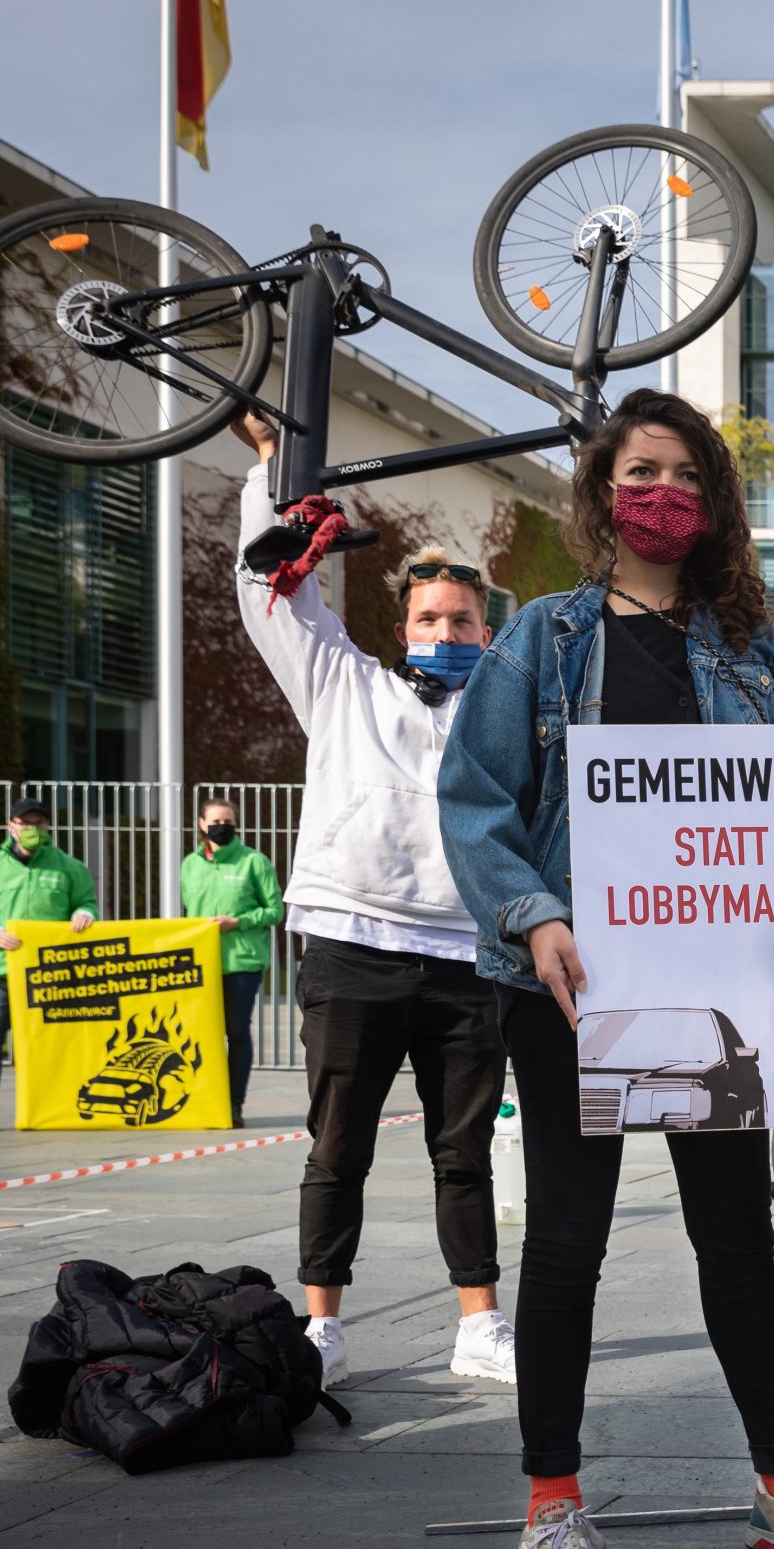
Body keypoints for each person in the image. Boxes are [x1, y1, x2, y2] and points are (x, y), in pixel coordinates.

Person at [438, 388, 774, 1549]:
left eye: (688, 476)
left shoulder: (757, 648)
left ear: (714, 504)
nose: (665, 493)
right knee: (569, 1244)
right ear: (602, 493)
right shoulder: (545, 635)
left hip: (723, 993)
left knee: (738, 1241)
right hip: (574, 987)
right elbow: (476, 794)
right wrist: (534, 913)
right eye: (643, 471)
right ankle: (551, 1506)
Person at [228, 414, 514, 1394]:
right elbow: (266, 590)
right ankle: (322, 1326)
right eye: (429, 619)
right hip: (351, 945)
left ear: (488, 631)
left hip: (469, 957)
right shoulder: (343, 685)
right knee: (336, 1146)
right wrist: (269, 473)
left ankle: (480, 1326)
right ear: (404, 630)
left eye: (462, 621)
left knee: (462, 1149)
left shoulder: (512, 722)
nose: (444, 632)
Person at [0, 795, 95, 1132]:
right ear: (11, 826)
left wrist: (84, 914)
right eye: (25, 823)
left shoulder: (69, 867)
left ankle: (58, 1108)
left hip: (51, 973)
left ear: (48, 826)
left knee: (52, 1041)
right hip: (2, 970)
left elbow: (86, 902)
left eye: (39, 823)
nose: (32, 829)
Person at [179, 797, 284, 1127]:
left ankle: (234, 1103)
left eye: (228, 820)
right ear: (201, 824)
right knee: (202, 1033)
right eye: (215, 821)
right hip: (202, 964)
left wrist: (238, 921)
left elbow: (275, 910)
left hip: (242, 961)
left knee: (237, 1031)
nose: (222, 826)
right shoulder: (189, 864)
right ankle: (206, 1100)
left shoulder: (255, 862)